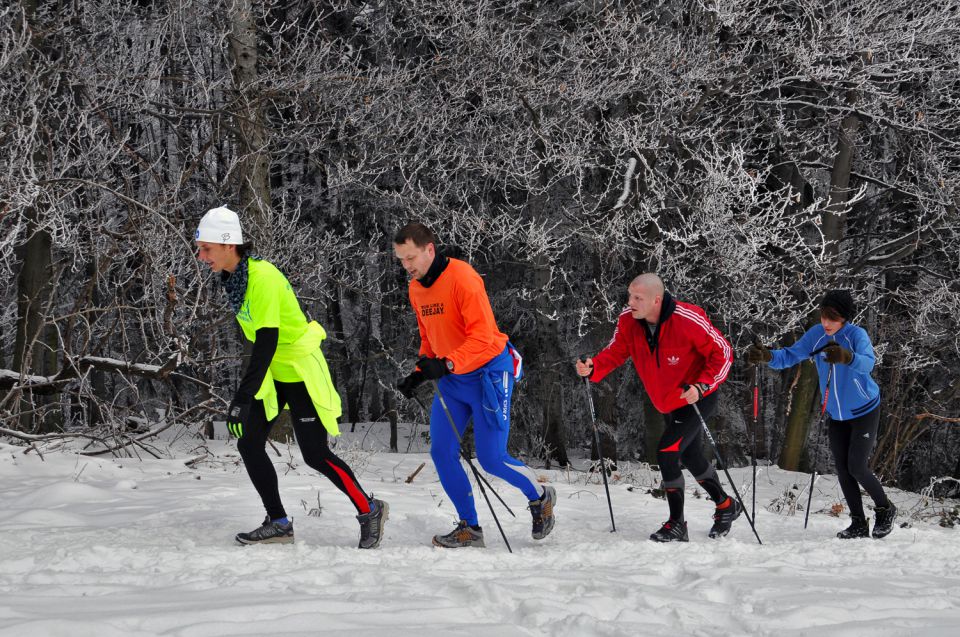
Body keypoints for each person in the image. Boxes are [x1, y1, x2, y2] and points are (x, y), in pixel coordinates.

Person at [195, 206, 387, 547]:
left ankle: (369, 509)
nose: (201, 255)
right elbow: (258, 344)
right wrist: (248, 393)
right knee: (249, 443)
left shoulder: (262, 278)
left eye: (206, 248)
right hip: (273, 373)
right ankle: (279, 522)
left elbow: (266, 341)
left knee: (315, 454)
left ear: (228, 245)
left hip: (298, 371)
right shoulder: (234, 280)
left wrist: (242, 397)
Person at [393, 221, 555, 548]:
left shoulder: (463, 278)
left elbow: (482, 338)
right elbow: (429, 338)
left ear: (429, 250)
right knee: (441, 451)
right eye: (401, 260)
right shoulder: (415, 289)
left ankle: (540, 497)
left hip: (488, 376)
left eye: (410, 258)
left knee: (492, 458)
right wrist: (420, 371)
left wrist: (447, 363)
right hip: (453, 381)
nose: (406, 266)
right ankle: (470, 526)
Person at [576, 273, 736, 542]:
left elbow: (723, 353)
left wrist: (702, 386)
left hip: (696, 398)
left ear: (656, 300)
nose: (630, 302)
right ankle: (725, 505)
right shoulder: (628, 320)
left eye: (637, 298)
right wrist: (593, 368)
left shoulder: (688, 319)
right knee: (690, 456)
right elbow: (616, 351)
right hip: (667, 402)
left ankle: (676, 524)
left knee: (666, 453)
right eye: (630, 296)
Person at [746, 290, 896, 539]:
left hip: (864, 410)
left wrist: (847, 357)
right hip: (837, 415)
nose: (826, 323)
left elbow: (869, 363)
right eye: (824, 316)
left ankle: (885, 508)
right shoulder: (817, 335)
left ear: (844, 318)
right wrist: (768, 356)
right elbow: (792, 355)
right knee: (843, 469)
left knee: (857, 466)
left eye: (833, 318)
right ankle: (858, 522)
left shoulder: (856, 335)